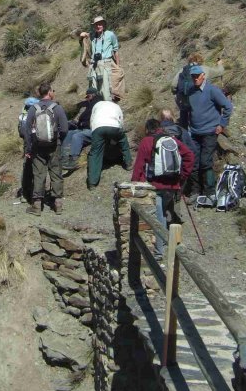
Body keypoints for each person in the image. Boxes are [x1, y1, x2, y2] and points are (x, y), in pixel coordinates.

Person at [131, 118, 194, 260]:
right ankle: (165, 241)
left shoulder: (146, 141)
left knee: (159, 217)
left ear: (147, 129)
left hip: (156, 186)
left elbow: (139, 166)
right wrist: (182, 176)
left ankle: (159, 252)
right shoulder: (171, 140)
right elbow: (189, 155)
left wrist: (136, 185)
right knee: (164, 213)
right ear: (160, 128)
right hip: (172, 185)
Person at [184, 65, 233, 201]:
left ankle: (209, 191)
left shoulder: (212, 90)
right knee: (194, 161)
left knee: (205, 161)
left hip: (210, 131)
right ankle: (195, 191)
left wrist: (222, 124)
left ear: (203, 76)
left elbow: (228, 106)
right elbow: (187, 110)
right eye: (193, 76)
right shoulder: (190, 91)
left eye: (197, 76)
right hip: (194, 132)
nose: (195, 79)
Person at [23, 83, 68, 215]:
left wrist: (28, 147)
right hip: (54, 145)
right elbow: (65, 128)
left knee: (38, 174)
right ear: (49, 92)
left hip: (37, 147)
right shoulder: (57, 108)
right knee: (56, 173)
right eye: (53, 90)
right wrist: (59, 139)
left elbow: (26, 130)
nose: (54, 92)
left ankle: (37, 206)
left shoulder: (33, 109)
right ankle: (58, 204)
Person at [86, 97, 133, 189]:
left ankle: (92, 182)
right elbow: (121, 122)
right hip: (114, 126)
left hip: (98, 127)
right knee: (123, 142)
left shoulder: (96, 105)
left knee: (95, 153)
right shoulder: (116, 106)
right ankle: (128, 164)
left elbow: (91, 120)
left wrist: (94, 133)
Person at [80, 16, 125, 102]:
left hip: (106, 63)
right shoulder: (92, 35)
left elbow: (116, 51)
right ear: (94, 26)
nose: (98, 26)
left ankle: (110, 101)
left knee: (106, 88)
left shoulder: (110, 34)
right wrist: (82, 35)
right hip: (94, 64)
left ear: (104, 25)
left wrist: (118, 65)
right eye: (96, 24)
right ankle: (94, 104)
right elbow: (84, 36)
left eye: (100, 24)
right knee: (93, 88)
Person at [61, 88, 102, 172]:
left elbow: (87, 116)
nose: (86, 98)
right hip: (83, 128)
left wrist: (80, 121)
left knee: (77, 136)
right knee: (69, 133)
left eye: (88, 96)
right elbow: (81, 106)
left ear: (93, 95)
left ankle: (73, 159)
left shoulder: (98, 102)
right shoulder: (89, 103)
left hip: (92, 129)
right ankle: (64, 157)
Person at [16, 96, 40, 200]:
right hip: (34, 144)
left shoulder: (23, 115)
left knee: (27, 168)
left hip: (27, 145)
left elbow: (21, 133)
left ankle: (26, 193)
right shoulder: (33, 115)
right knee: (35, 169)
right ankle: (34, 194)